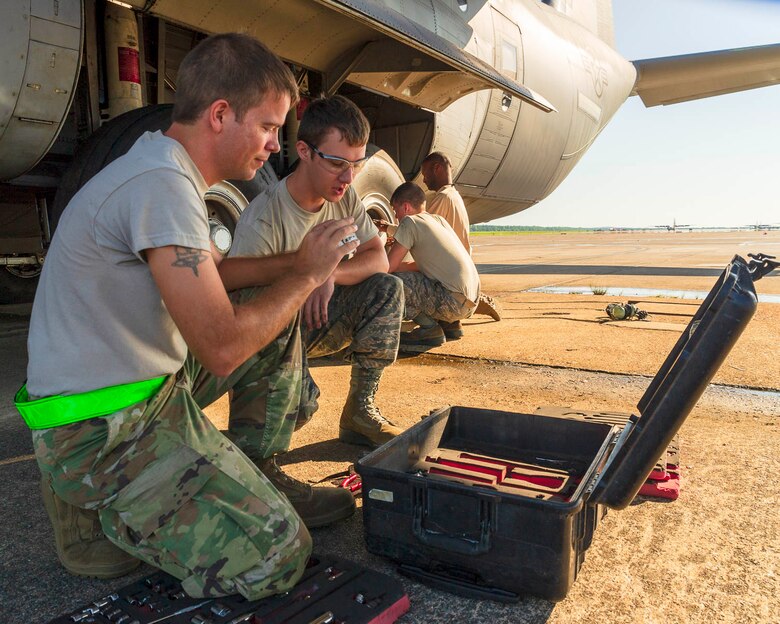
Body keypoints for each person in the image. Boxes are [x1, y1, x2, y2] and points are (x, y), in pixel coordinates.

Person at [15, 34, 359, 601]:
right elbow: (222, 347)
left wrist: (296, 263)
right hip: (100, 430)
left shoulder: (163, 167)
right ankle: (93, 511)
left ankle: (255, 469)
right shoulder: (160, 184)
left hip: (146, 390)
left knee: (272, 322)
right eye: (270, 127)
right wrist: (305, 276)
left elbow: (214, 277)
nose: (276, 146)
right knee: (276, 555)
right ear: (221, 115)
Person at [231, 95, 404, 451]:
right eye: (338, 162)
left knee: (387, 288)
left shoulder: (343, 197)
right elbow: (240, 301)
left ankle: (360, 412)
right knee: (301, 408)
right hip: (273, 332)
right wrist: (304, 275)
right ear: (305, 152)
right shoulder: (265, 218)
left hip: (318, 314)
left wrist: (327, 274)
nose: (348, 177)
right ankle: (237, 452)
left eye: (356, 164)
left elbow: (378, 259)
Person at [387, 182, 480, 351]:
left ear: (406, 207)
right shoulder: (439, 221)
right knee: (421, 278)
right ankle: (450, 325)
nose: (396, 217)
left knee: (388, 283)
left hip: (452, 303)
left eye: (396, 211)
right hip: (470, 302)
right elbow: (424, 266)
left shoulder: (409, 222)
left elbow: (388, 268)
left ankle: (430, 329)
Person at [420, 152, 502, 336]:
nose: (424, 180)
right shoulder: (455, 197)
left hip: (450, 276)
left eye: (425, 173)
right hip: (461, 271)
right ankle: (451, 322)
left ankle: (432, 326)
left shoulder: (443, 199)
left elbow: (423, 231)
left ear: (437, 169)